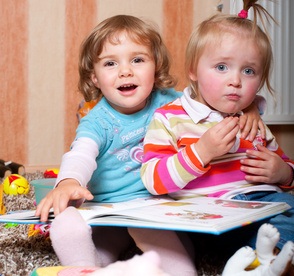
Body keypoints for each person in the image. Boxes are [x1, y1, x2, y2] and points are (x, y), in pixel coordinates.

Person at [35, 15, 264, 276]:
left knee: (177, 254)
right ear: (95, 78)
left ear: (155, 67)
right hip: (109, 209)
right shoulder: (97, 121)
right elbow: (81, 153)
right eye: (110, 63)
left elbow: (215, 100)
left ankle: (149, 268)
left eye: (138, 60)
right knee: (103, 249)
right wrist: (67, 181)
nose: (125, 71)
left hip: (157, 207)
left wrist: (250, 107)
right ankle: (84, 262)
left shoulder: (172, 102)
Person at [140, 1, 294, 272]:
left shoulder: (252, 120)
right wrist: (201, 152)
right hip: (217, 216)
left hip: (268, 204)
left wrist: (283, 173)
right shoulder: (170, 119)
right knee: (269, 231)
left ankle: (273, 261)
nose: (235, 80)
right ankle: (271, 262)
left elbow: (286, 168)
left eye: (248, 71)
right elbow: (153, 180)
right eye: (222, 67)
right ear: (193, 71)